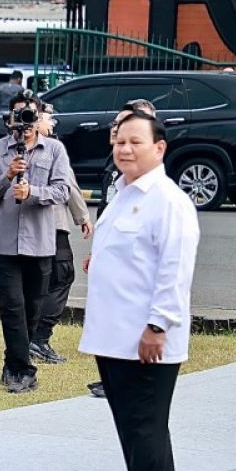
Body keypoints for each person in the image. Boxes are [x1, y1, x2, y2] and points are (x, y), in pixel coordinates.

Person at [81, 111, 199, 471]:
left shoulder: (167, 200)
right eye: (119, 142)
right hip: (115, 335)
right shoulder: (124, 193)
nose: (124, 149)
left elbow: (175, 269)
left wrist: (158, 325)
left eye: (135, 142)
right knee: (144, 424)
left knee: (142, 425)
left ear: (159, 148)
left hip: (143, 337)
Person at [0, 93, 70, 393]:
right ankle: (21, 370)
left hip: (40, 244)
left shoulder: (54, 150)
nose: (25, 121)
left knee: (32, 309)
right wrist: (7, 176)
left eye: (31, 114)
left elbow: (62, 192)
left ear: (39, 117)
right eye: (20, 115)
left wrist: (32, 193)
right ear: (10, 119)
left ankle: (12, 361)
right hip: (3, 244)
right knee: (12, 308)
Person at [88, 98, 157, 398]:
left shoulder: (154, 183)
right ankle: (111, 377)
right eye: (116, 125)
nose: (115, 130)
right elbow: (107, 210)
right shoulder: (113, 164)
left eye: (124, 124)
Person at [29, 105, 93, 365]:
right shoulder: (52, 148)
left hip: (27, 229)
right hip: (52, 224)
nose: (52, 123)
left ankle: (32, 337)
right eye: (47, 118)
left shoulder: (15, 146)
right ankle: (39, 338)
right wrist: (83, 217)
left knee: (38, 282)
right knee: (62, 275)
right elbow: (69, 186)